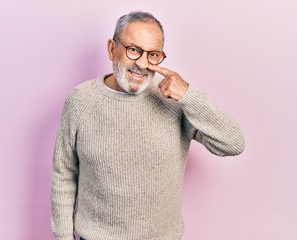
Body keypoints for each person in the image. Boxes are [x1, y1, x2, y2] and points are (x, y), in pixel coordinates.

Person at [51, 11, 245, 240]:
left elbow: (233, 143)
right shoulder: (80, 100)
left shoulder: (174, 99)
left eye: (153, 54)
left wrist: (188, 96)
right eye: (134, 50)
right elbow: (64, 174)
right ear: (112, 49)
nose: (142, 64)